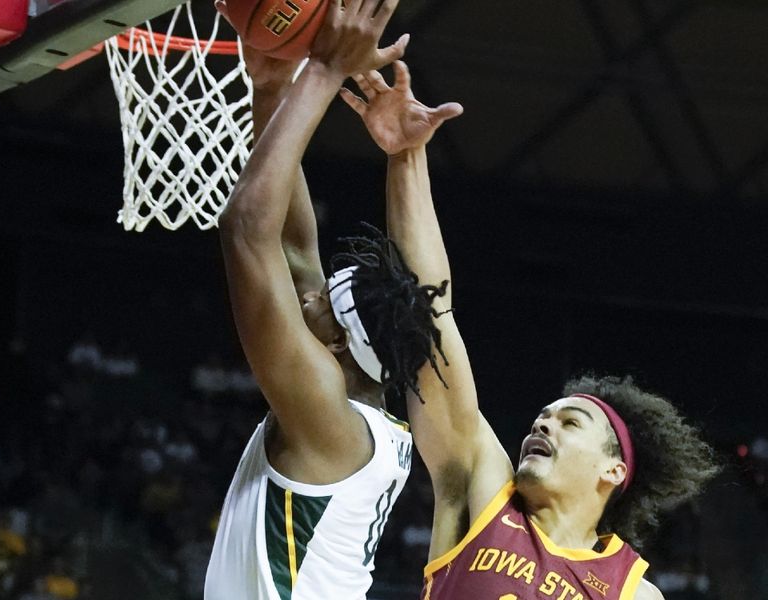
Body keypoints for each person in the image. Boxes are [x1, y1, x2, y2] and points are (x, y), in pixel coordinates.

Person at [341, 63, 721, 599]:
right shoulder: (484, 491)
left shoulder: (632, 593)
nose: (545, 421)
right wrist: (406, 157)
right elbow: (430, 316)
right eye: (547, 415)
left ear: (614, 470)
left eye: (571, 422)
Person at [204, 1, 449, 598]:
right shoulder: (353, 406)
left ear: (338, 342)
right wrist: (269, 91)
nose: (307, 293)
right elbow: (289, 243)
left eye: (318, 302)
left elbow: (245, 228)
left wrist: (323, 70)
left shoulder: (326, 417)